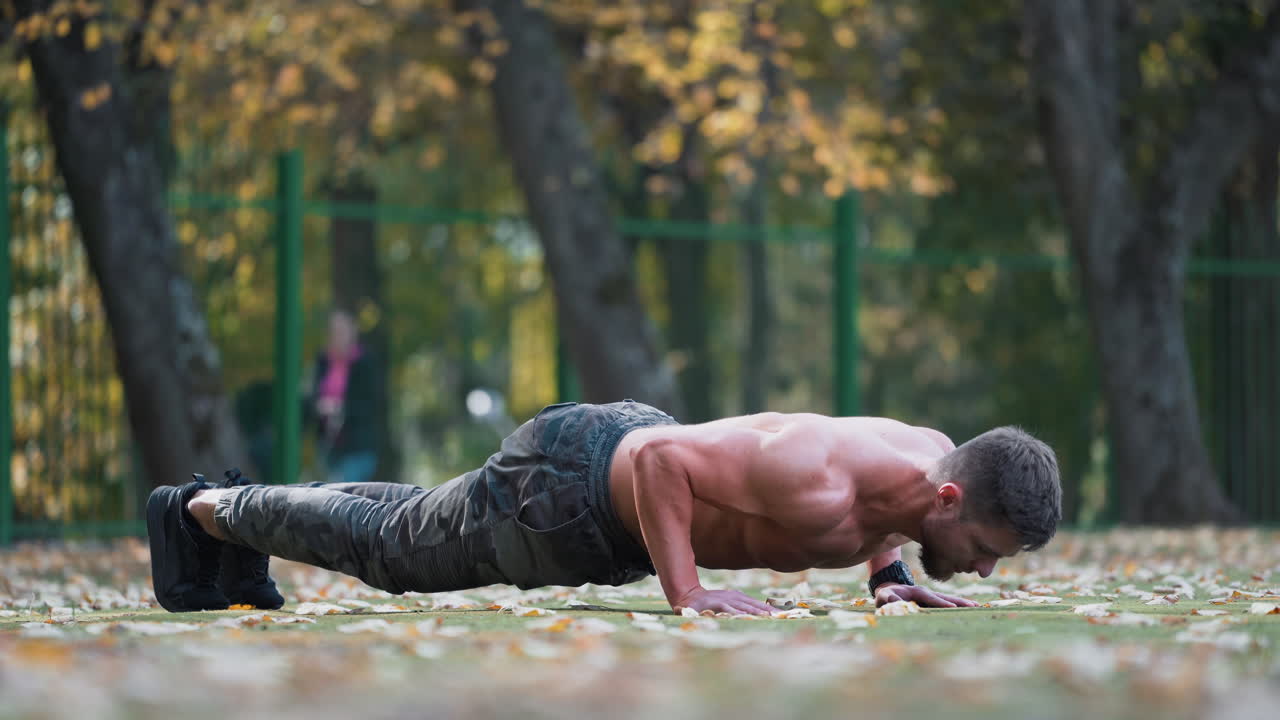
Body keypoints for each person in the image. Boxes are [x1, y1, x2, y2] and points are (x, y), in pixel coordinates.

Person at [146, 401, 1061, 614]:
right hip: (575, 497)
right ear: (951, 495)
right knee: (395, 551)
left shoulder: (928, 458)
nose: (982, 568)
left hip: (601, 485)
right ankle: (202, 511)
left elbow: (887, 515)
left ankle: (230, 524)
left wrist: (893, 576)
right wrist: (687, 592)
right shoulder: (817, 474)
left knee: (418, 515)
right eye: (984, 548)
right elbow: (664, 460)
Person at [308, 309, 380, 484]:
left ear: (352, 332)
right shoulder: (323, 361)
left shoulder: (365, 363)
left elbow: (370, 404)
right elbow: (311, 398)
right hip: (329, 446)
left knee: (342, 493)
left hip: (358, 447)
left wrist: (341, 409)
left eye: (342, 331)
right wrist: (320, 407)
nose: (337, 336)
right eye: (334, 331)